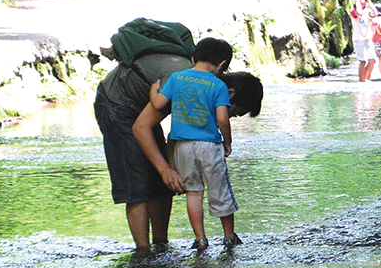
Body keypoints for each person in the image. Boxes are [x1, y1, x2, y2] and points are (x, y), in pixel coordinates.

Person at [133, 38, 261, 252]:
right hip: (209, 145)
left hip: (181, 145)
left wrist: (153, 91)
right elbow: (222, 119)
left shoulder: (177, 78)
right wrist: (227, 142)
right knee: (220, 190)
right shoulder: (218, 85)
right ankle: (228, 235)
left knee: (193, 192)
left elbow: (158, 104)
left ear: (194, 57)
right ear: (221, 65)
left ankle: (200, 239)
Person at [94, 27, 195, 253]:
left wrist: (169, 167)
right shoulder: (183, 83)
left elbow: (175, 133)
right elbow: (140, 128)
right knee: (136, 181)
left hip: (140, 108)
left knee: (160, 182)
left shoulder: (202, 84)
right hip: (115, 103)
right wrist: (166, 170)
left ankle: (161, 244)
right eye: (233, 113)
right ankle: (143, 252)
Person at [350, 0, 377, 82]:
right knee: (363, 61)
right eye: (361, 0)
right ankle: (362, 81)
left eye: (363, 0)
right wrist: (357, 1)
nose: (363, 1)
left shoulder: (366, 10)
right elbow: (359, 12)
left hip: (367, 37)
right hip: (359, 38)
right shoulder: (353, 11)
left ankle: (365, 78)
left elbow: (375, 13)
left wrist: (369, 2)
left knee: (372, 59)